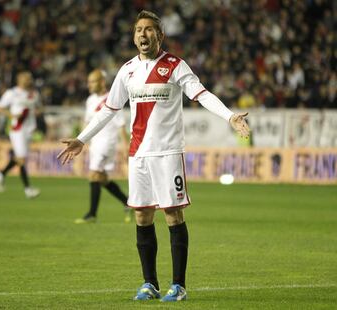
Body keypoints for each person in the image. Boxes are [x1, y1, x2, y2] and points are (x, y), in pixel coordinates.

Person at [57, 10, 250, 302]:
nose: (142, 34)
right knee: (142, 215)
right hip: (139, 155)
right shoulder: (127, 70)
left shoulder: (175, 65)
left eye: (148, 29)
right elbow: (109, 109)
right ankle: (150, 283)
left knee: (173, 215)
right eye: (138, 30)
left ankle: (179, 286)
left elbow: (202, 94)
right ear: (134, 37)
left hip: (167, 153)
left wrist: (230, 116)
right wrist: (83, 139)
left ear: (160, 36)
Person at [74, 69, 132, 224]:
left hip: (107, 142)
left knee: (94, 175)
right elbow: (87, 122)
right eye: (88, 81)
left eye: (92, 81)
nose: (89, 85)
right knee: (102, 179)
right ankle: (128, 203)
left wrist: (126, 146)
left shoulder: (112, 98)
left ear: (101, 82)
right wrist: (81, 140)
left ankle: (92, 214)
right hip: (95, 144)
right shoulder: (90, 100)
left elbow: (121, 124)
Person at [0, 71, 41, 199]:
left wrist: (37, 113)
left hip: (29, 130)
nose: (29, 81)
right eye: (26, 79)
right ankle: (28, 189)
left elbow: (39, 108)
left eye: (30, 78)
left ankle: (1, 173)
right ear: (19, 80)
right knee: (22, 159)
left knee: (20, 158)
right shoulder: (12, 93)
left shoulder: (34, 94)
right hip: (17, 130)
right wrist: (12, 115)